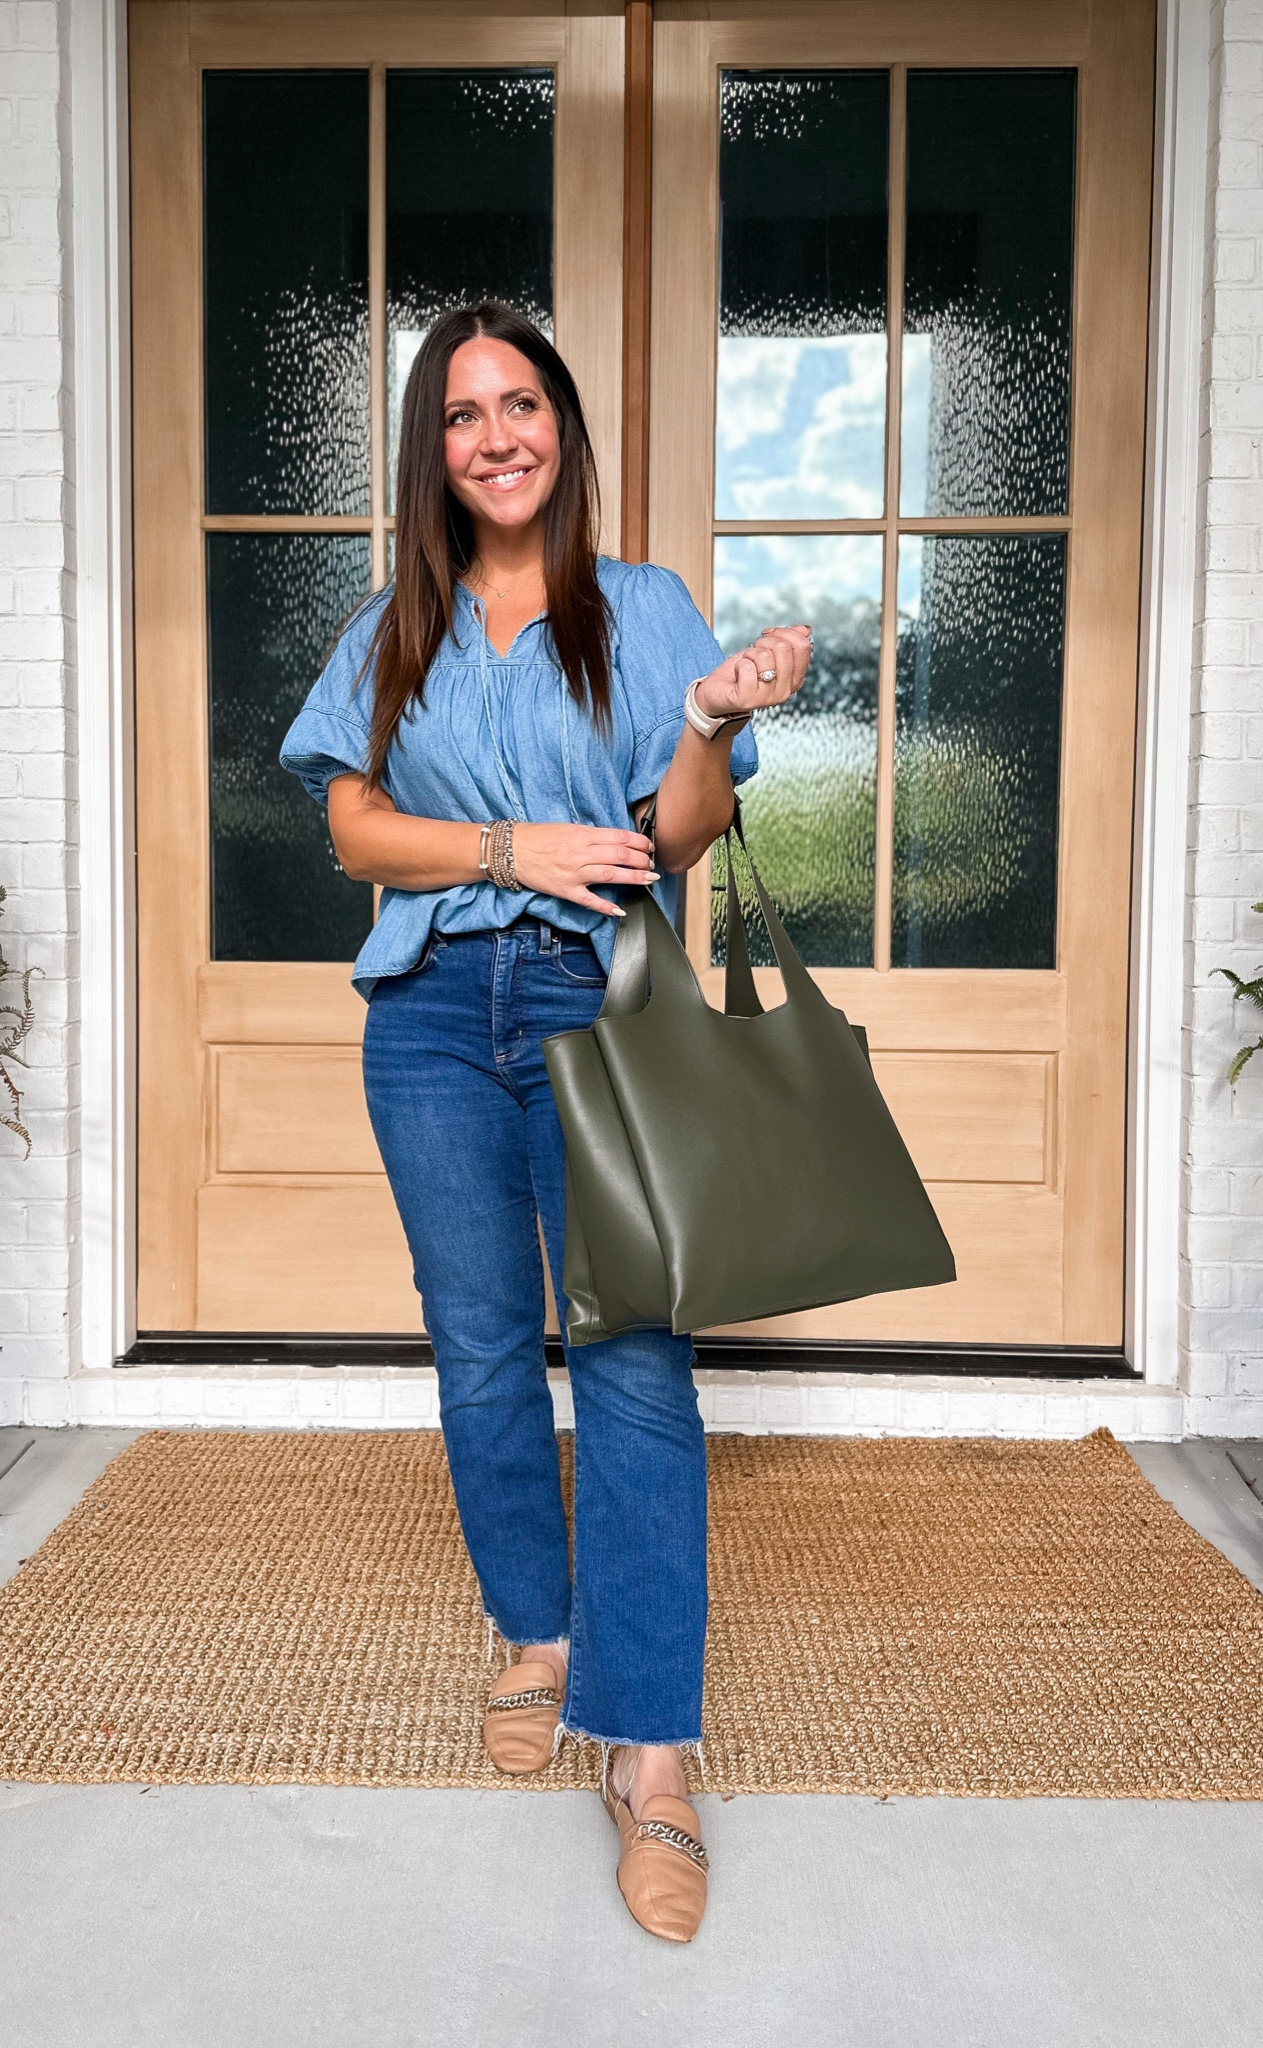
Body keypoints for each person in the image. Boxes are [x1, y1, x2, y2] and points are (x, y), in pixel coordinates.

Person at [280, 301, 809, 1942]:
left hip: (598, 1015)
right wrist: (506, 850)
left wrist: (711, 720)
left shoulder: (640, 609)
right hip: (429, 1019)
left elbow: (678, 836)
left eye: (522, 404)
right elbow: (358, 834)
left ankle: (652, 1757)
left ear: (564, 431)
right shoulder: (393, 626)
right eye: (461, 413)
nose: (496, 434)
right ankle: (539, 1638)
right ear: (431, 450)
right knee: (486, 1347)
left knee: (636, 1363)